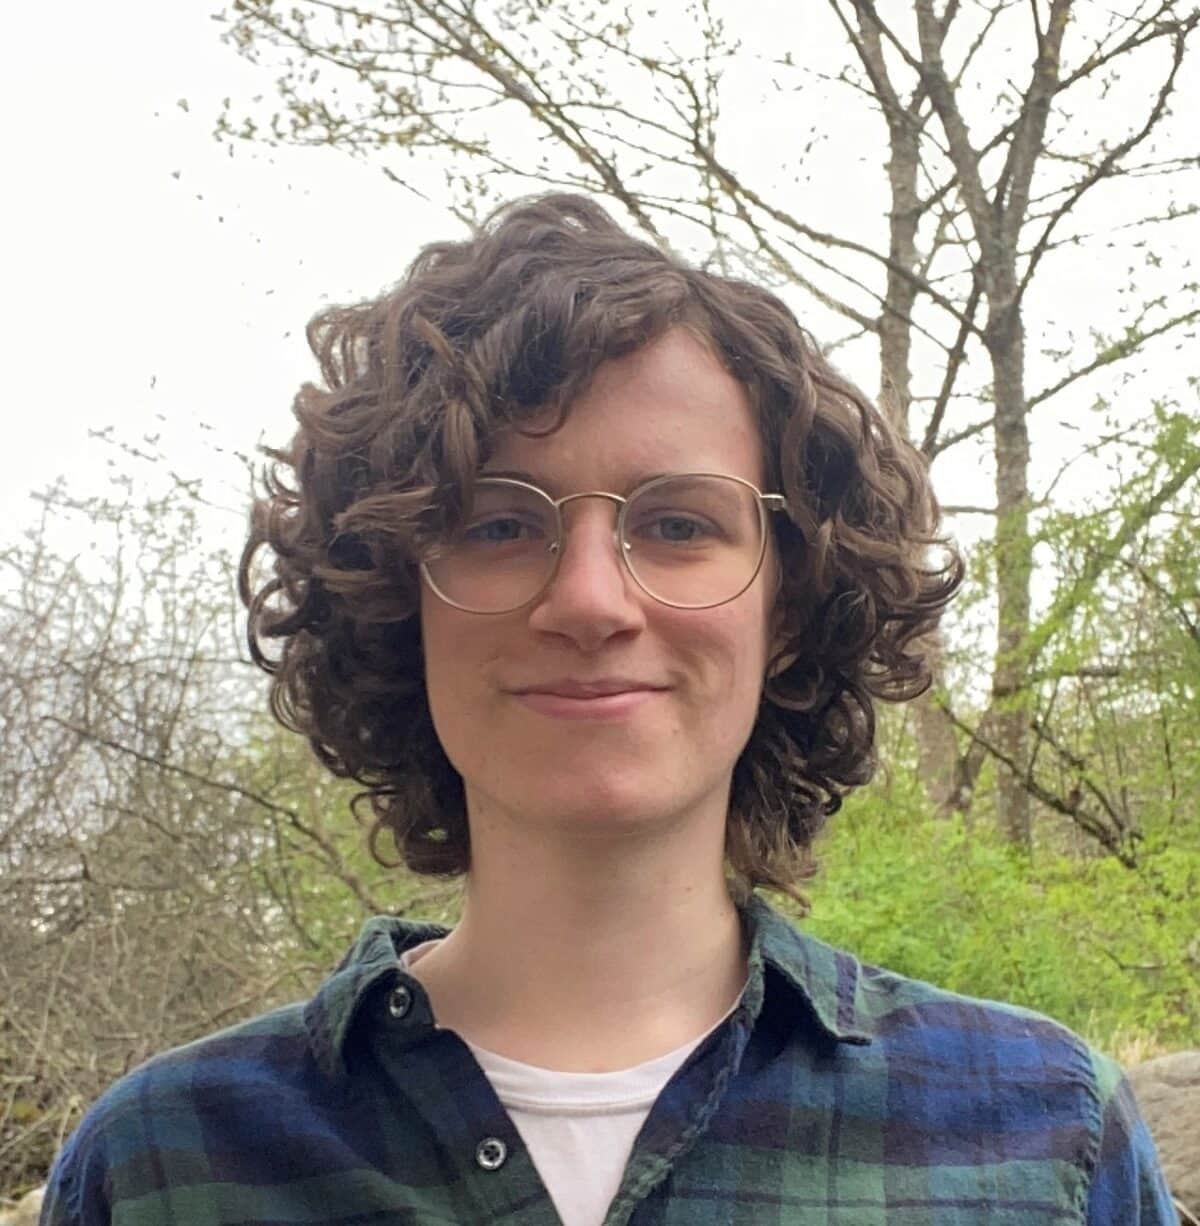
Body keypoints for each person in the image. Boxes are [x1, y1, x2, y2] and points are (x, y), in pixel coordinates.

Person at [40, 194, 1174, 1225]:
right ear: (395, 602)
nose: (588, 597)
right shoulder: (161, 1166)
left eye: (679, 524)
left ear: (786, 609)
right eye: (497, 524)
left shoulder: (1050, 1141)